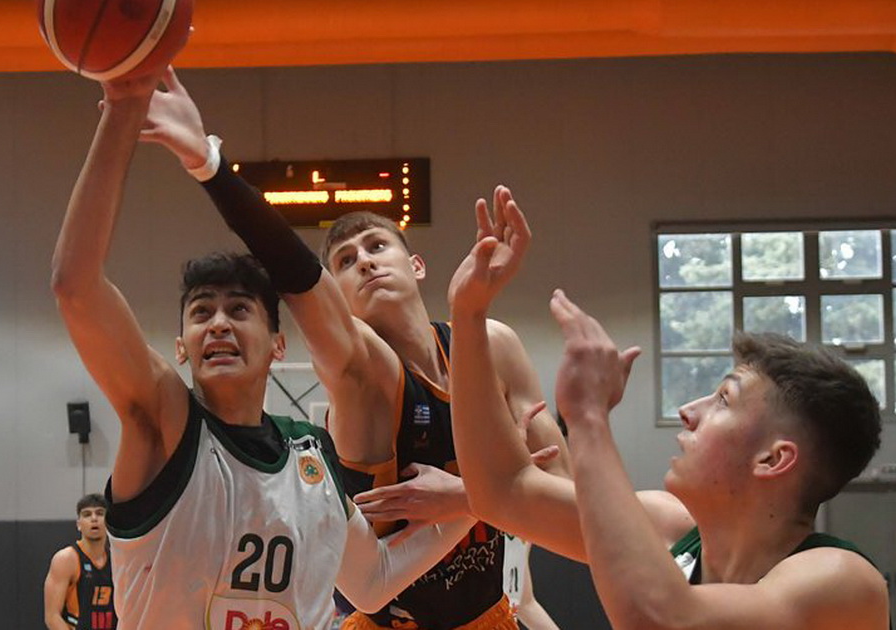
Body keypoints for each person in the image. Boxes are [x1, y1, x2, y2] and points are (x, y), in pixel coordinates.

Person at [136, 67, 570, 630]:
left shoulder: (494, 344)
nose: (364, 261)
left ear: (416, 265)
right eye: (345, 261)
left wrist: (467, 497)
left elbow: (564, 492)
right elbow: (295, 273)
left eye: (376, 246)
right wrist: (210, 167)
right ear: (337, 295)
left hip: (490, 616)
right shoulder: (365, 369)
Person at [51, 68, 478, 630]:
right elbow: (76, 286)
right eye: (201, 313)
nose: (218, 325)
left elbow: (372, 582)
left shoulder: (311, 451)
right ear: (181, 347)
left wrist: (477, 504)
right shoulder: (164, 422)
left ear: (278, 346)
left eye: (239, 310)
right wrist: (123, 109)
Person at [446, 188, 891, 629]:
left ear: (773, 458)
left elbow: (662, 621)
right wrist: (467, 314)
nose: (688, 411)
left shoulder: (840, 580)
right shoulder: (668, 527)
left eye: (723, 399)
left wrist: (589, 418)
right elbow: (501, 491)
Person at [44, 494, 117, 630]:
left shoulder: (118, 559)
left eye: (100, 513)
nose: (94, 519)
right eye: (87, 514)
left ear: (108, 522)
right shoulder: (66, 559)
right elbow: (52, 616)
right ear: (79, 524)